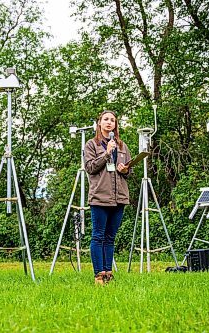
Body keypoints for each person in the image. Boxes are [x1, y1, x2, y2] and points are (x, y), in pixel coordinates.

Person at [84, 110, 131, 285]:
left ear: (115, 125)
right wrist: (106, 154)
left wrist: (125, 169)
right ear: (99, 124)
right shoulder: (91, 144)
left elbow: (129, 170)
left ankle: (108, 273)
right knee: (98, 236)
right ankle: (99, 275)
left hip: (119, 197)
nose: (109, 122)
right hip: (100, 197)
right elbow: (90, 167)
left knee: (110, 237)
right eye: (106, 120)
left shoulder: (122, 146)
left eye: (112, 120)